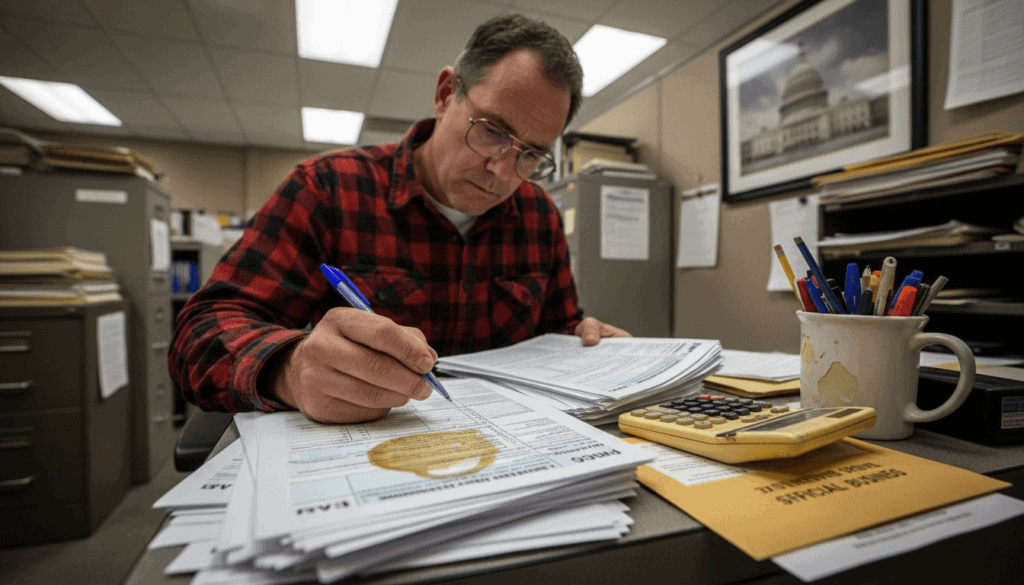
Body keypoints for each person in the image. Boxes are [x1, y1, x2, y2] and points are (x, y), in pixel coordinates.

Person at [169, 14, 630, 425]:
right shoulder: (328, 188)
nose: (503, 171)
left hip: (514, 445)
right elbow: (201, 331)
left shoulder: (538, 216)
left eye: (530, 155)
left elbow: (559, 328)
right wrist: (288, 368)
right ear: (446, 94)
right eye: (492, 131)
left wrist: (582, 341)